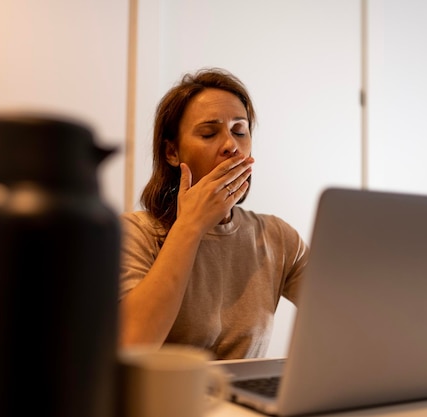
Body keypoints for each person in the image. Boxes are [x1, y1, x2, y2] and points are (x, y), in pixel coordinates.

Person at [119, 68, 309, 359]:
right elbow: (132, 345)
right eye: (209, 133)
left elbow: (344, 315)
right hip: (163, 403)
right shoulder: (134, 234)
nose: (231, 146)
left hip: (243, 404)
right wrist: (190, 226)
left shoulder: (277, 238)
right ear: (172, 152)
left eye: (239, 131)